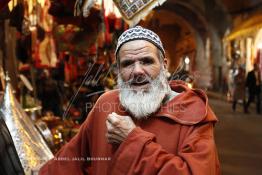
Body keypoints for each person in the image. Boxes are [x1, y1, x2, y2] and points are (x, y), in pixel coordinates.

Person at [39, 26, 220, 175]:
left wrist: (132, 140)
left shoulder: (194, 113)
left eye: (147, 61)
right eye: (127, 64)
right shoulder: (105, 104)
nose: (137, 71)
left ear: (164, 66)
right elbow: (68, 162)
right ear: (118, 70)